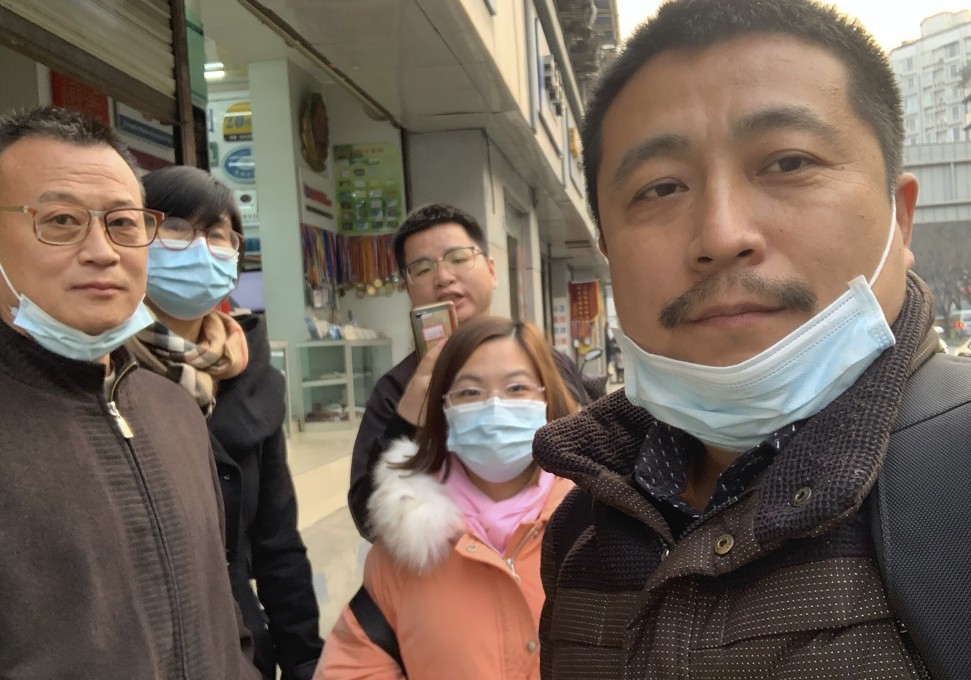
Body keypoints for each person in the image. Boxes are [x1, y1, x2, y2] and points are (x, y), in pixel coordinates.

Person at [533, 1, 971, 678]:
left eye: (789, 162)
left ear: (900, 219)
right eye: (661, 186)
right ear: (608, 250)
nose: (722, 235)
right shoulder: (582, 532)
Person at [0, 106, 259, 678]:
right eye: (61, 220)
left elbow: (223, 610)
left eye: (123, 223)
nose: (103, 251)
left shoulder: (173, 408)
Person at [127, 165, 324, 680]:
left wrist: (304, 660)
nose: (199, 247)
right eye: (174, 227)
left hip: (240, 652)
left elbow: (277, 545)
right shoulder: (101, 369)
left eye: (217, 234)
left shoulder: (252, 376)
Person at [316, 317, 576, 679]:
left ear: (547, 398)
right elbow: (353, 665)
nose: (494, 408)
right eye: (469, 392)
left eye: (517, 388)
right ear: (443, 410)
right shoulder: (405, 545)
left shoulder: (597, 524)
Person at [348, 203, 590, 539]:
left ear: (492, 270)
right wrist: (404, 422)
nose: (443, 277)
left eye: (459, 258)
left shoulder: (547, 364)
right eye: (421, 268)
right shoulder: (398, 387)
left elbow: (592, 471)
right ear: (407, 288)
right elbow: (368, 518)